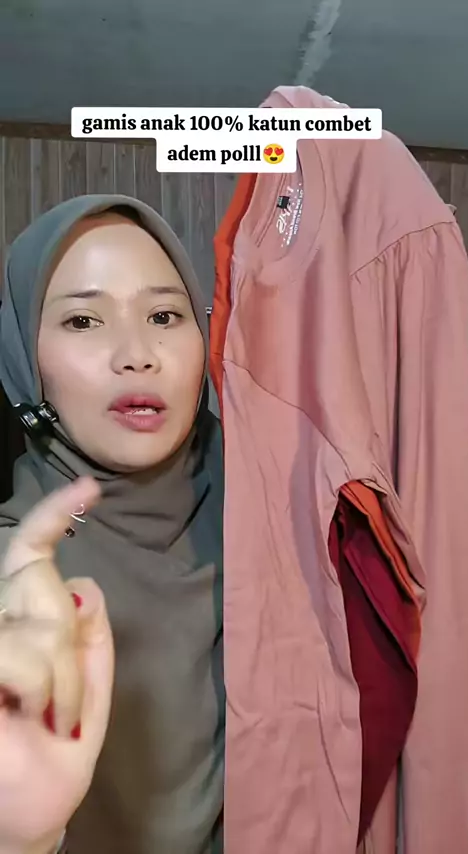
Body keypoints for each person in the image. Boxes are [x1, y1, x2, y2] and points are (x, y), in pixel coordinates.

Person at [0, 195, 224, 854]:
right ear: (23, 359)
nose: (136, 354)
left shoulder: (288, 519)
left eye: (163, 315)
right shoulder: (20, 582)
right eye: (83, 320)